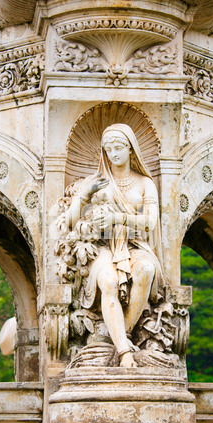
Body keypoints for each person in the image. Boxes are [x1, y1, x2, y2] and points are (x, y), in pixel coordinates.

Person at [64, 123, 164, 367]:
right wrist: (84, 194)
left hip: (134, 244)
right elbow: (69, 221)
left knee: (146, 270)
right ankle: (124, 352)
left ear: (131, 149)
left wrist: (117, 218)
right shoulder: (96, 182)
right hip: (103, 246)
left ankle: (120, 336)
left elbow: (150, 222)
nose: (113, 154)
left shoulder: (144, 183)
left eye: (118, 148)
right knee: (108, 279)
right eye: (108, 149)